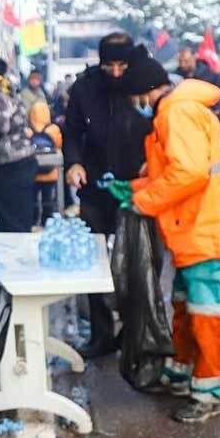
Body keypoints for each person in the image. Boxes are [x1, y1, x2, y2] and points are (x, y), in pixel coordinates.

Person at [114, 52, 220, 421]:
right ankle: (181, 374)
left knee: (208, 316)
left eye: (133, 98)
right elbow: (175, 171)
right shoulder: (175, 112)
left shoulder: (177, 113)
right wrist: (133, 187)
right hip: (197, 232)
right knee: (186, 309)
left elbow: (190, 174)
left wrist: (143, 201)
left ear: (145, 92)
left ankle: (208, 393)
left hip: (211, 232)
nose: (135, 106)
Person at [62, 33, 152, 357]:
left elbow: (160, 130)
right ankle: (101, 335)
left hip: (137, 189)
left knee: (136, 264)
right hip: (96, 188)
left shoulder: (143, 85)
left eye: (122, 65)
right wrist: (73, 163)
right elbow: (71, 132)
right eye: (109, 65)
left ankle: (134, 334)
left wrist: (153, 161)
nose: (115, 72)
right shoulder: (84, 88)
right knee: (94, 261)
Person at [0, 56, 38, 232]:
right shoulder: (9, 89)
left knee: (11, 220)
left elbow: (1, 125)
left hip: (12, 162)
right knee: (21, 217)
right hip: (22, 160)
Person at [27, 100, 63, 225]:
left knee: (33, 200)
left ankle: (33, 222)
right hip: (50, 172)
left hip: (33, 172)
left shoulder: (28, 131)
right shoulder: (53, 129)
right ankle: (46, 222)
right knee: (48, 198)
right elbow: (59, 144)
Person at [176, 44, 220, 116]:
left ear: (194, 57)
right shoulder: (177, 77)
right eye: (180, 61)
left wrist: (216, 108)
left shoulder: (210, 75)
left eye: (186, 61)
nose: (182, 64)